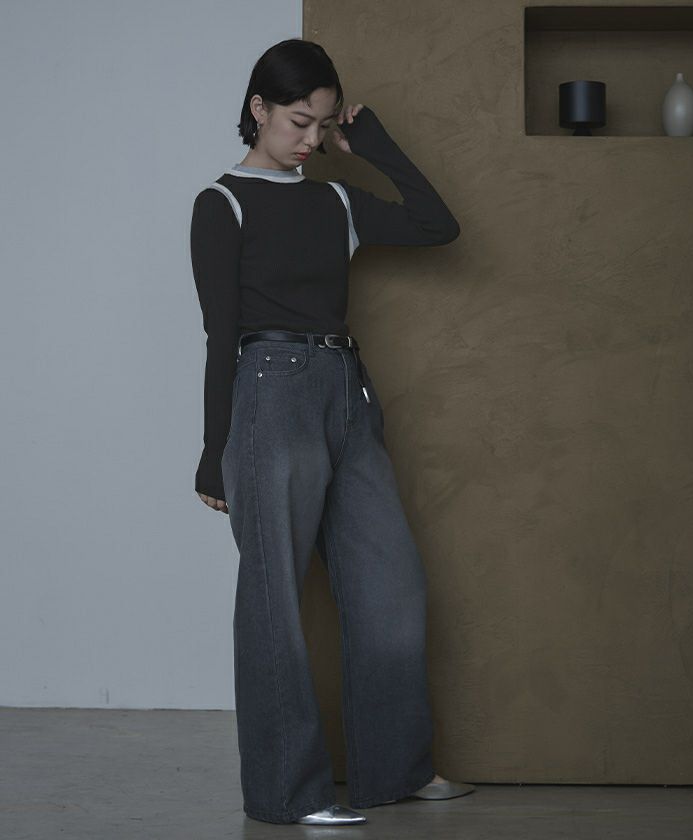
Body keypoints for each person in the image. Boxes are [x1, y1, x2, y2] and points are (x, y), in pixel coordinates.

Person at [190, 38, 474, 826]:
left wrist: (372, 143)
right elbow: (220, 335)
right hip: (268, 393)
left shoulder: (335, 201)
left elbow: (438, 225)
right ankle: (290, 791)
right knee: (274, 596)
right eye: (298, 121)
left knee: (391, 585)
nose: (311, 139)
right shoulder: (223, 202)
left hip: (348, 390)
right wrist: (214, 452)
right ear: (258, 108)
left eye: (322, 125)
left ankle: (395, 768)